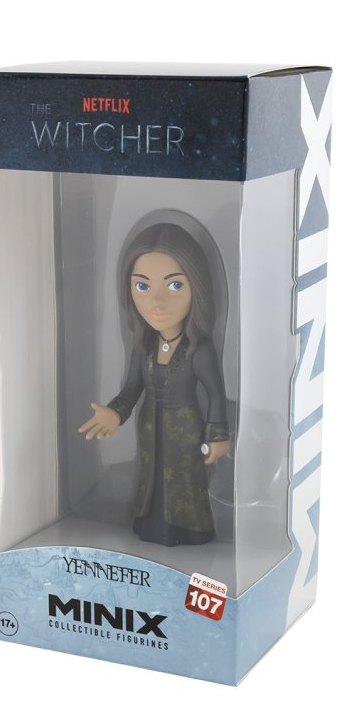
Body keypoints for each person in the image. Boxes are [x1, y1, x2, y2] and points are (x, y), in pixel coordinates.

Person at [78, 223, 230, 546]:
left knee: (184, 479)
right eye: (142, 286)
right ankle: (151, 524)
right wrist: (115, 414)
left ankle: (188, 529)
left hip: (185, 430)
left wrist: (218, 437)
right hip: (149, 426)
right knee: (151, 476)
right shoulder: (144, 346)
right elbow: (132, 388)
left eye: (175, 285)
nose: (157, 301)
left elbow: (216, 395)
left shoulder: (198, 349)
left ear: (196, 287)